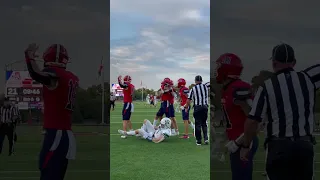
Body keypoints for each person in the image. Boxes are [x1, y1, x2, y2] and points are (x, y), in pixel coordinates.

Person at [241, 43, 319, 180]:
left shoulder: (267, 87)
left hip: (279, 147)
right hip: (304, 145)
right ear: (294, 62)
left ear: (274, 63)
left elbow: (253, 121)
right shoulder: (307, 79)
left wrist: (246, 145)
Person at [24, 43, 78, 180]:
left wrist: (29, 57)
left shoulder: (56, 76)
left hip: (56, 134)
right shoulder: (71, 77)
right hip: (65, 133)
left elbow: (36, 74)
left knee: (48, 173)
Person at [214, 53, 258, 180]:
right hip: (236, 140)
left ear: (227, 68)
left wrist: (240, 142)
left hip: (244, 141)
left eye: (219, 66)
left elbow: (254, 118)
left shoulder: (238, 88)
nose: (216, 69)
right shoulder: (227, 88)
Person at [185, 75, 209, 145]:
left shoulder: (193, 88)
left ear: (195, 81)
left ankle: (199, 140)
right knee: (204, 123)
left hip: (197, 107)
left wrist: (186, 107)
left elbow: (189, 99)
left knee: (198, 124)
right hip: (205, 107)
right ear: (201, 80)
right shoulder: (205, 86)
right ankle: (206, 138)